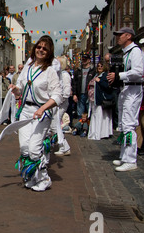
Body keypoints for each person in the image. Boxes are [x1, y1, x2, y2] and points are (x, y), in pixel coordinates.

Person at [8, 36, 63, 192]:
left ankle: (44, 178)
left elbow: (57, 95)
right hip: (25, 111)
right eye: (39, 47)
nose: (41, 50)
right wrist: (15, 89)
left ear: (49, 52)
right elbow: (21, 89)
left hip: (41, 114)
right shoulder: (28, 67)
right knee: (24, 148)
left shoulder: (50, 71)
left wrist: (43, 108)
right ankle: (32, 177)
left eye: (45, 48)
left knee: (34, 149)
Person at [107, 27, 144, 172]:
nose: (118, 38)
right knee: (123, 124)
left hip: (133, 89)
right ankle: (124, 155)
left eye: (120, 35)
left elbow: (138, 72)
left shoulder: (135, 51)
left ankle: (131, 159)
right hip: (125, 89)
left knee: (129, 124)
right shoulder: (126, 53)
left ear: (128, 36)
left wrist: (119, 76)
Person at [87, 62, 114, 140]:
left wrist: (100, 81)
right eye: (98, 66)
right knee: (94, 115)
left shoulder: (105, 75)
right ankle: (93, 132)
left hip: (99, 99)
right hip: (93, 100)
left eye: (101, 66)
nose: (99, 67)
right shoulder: (96, 75)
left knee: (99, 116)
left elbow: (108, 86)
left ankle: (99, 133)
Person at [53, 56, 72, 156]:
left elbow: (66, 91)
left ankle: (64, 146)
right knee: (55, 124)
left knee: (56, 124)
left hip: (61, 104)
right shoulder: (59, 74)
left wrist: (59, 100)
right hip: (57, 103)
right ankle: (64, 146)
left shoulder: (65, 75)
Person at [72, 54, 95, 118]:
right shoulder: (78, 71)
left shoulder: (93, 70)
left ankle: (88, 127)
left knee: (89, 112)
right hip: (80, 94)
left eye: (85, 59)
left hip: (89, 94)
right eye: (83, 59)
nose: (84, 61)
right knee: (80, 113)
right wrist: (74, 94)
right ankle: (80, 126)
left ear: (89, 60)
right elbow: (74, 83)